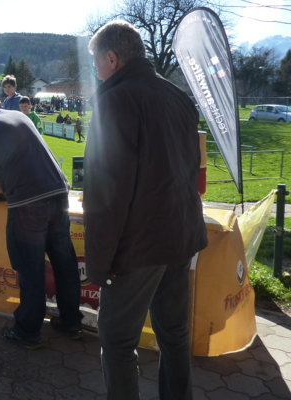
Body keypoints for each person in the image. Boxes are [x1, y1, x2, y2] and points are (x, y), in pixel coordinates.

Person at [84, 20, 207, 400]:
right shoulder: (177, 96)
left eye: (96, 63)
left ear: (112, 58)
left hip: (138, 245)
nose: (96, 72)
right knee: (174, 333)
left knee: (117, 340)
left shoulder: (115, 100)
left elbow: (106, 192)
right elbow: (191, 169)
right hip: (180, 235)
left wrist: (98, 263)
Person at [0, 92, 82, 349]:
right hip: (58, 193)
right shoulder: (18, 116)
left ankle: (28, 331)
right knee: (64, 262)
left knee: (29, 267)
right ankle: (72, 322)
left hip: (28, 204)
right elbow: (22, 163)